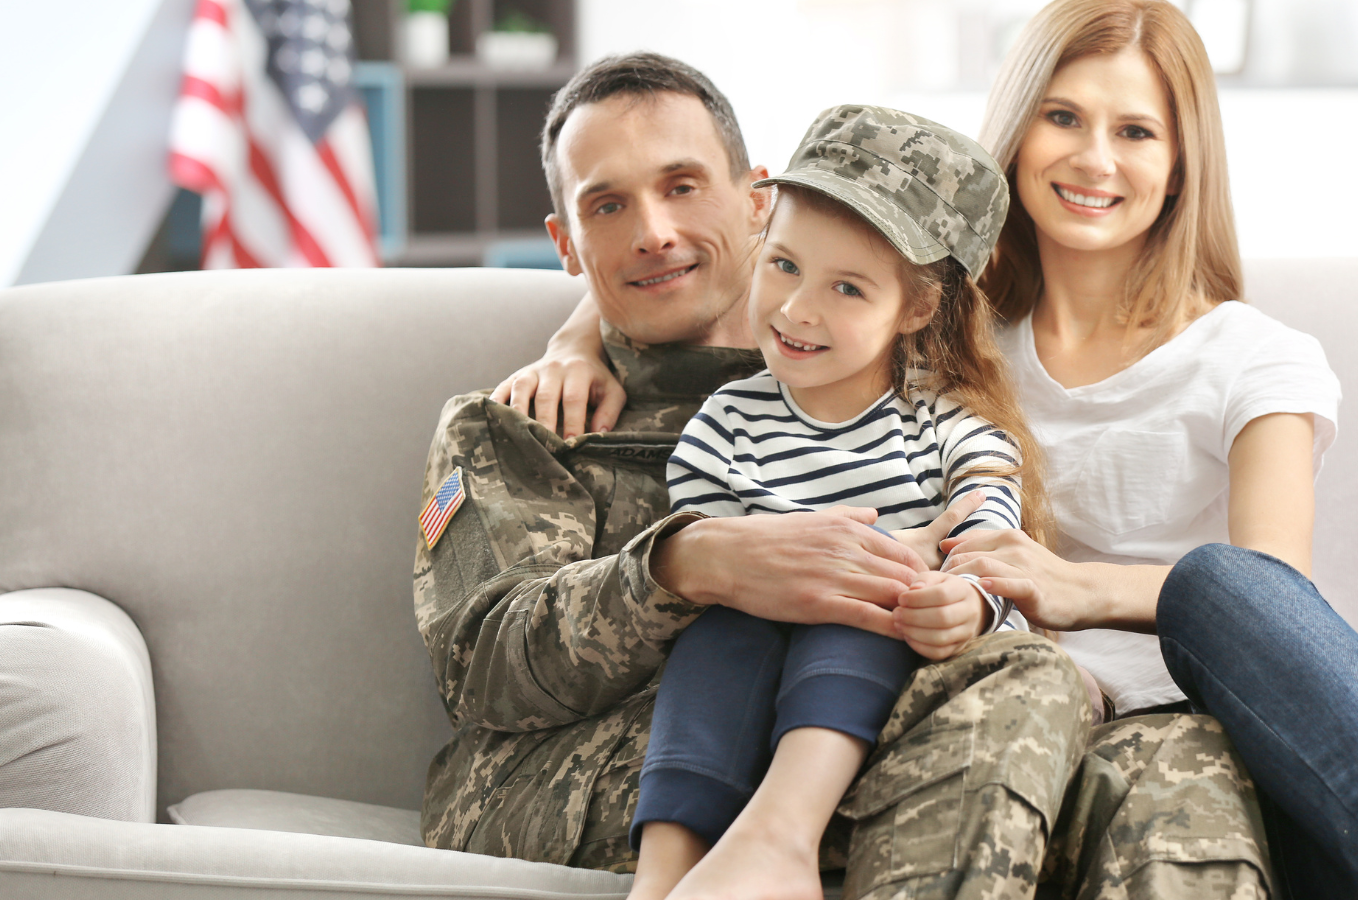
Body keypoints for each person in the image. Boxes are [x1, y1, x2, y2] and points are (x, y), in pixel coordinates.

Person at [502, 0, 1358, 900]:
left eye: (1136, 132)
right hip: (995, 686)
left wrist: (1075, 586)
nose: (1093, 158)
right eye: (1064, 118)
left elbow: (1275, 600)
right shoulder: (946, 337)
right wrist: (577, 332)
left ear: (1180, 168)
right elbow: (761, 287)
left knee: (1223, 600)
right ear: (1017, 135)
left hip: (1196, 691)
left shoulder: (1253, 358)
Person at [446, 50, 1273, 900]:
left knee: (1179, 758)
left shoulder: (905, 373)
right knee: (1028, 683)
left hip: (898, 722)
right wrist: (688, 564)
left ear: (754, 200)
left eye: (684, 185)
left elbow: (978, 492)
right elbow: (480, 665)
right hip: (642, 773)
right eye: (606, 205)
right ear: (566, 243)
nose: (652, 229)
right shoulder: (518, 423)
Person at [628, 105, 1047, 900]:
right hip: (746, 646)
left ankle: (783, 837)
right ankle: (665, 874)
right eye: (782, 264)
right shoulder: (725, 423)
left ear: (917, 309)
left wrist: (965, 596)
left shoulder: (947, 426)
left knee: (863, 599)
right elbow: (716, 544)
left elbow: (993, 535)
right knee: (720, 633)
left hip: (877, 649)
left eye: (847, 287)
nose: (796, 309)